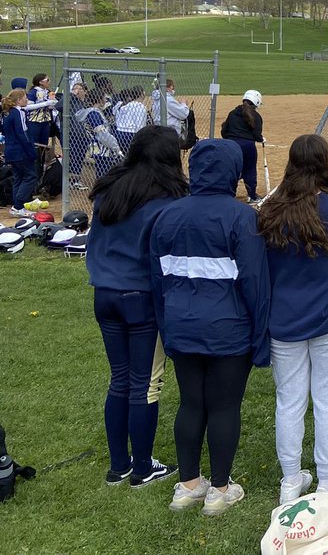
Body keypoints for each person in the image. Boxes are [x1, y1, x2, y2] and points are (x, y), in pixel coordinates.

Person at [149, 139, 270, 516]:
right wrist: (261, 335)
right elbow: (255, 281)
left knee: (190, 402)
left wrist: (167, 329)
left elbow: (158, 281)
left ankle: (188, 486)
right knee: (223, 406)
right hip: (228, 328)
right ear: (233, 173)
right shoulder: (240, 217)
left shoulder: (167, 215)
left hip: (181, 324)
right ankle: (219, 489)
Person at [258, 134, 328, 504]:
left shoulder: (270, 208)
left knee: (289, 400)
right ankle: (327, 479)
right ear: (323, 164)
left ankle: (291, 479)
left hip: (284, 321)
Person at [87, 125, 188, 490]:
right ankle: (142, 467)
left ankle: (120, 465)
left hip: (105, 293)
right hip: (140, 298)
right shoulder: (167, 199)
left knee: (120, 379)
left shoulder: (108, 188)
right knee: (145, 385)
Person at [220, 90, 264, 204]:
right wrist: (262, 139)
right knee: (249, 170)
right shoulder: (256, 116)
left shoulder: (233, 113)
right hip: (247, 146)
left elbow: (225, 131)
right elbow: (256, 135)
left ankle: (229, 194)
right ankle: (252, 196)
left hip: (231, 145)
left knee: (232, 169)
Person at [2, 89, 37, 217]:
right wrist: (31, 150)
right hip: (20, 150)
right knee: (30, 176)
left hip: (10, 149)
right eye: (24, 98)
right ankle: (18, 205)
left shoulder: (7, 113)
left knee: (18, 177)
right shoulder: (18, 112)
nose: (26, 99)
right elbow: (22, 133)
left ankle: (17, 207)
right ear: (18, 100)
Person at [25, 73, 58, 149]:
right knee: (34, 144)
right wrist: (46, 103)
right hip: (34, 122)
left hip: (46, 121)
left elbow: (52, 106)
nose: (49, 82)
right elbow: (28, 107)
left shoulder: (48, 92)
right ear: (40, 82)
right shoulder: (33, 92)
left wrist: (52, 101)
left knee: (44, 144)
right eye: (47, 80)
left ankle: (42, 160)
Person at [114, 87, 149, 154]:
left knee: (125, 154)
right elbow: (140, 126)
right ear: (142, 95)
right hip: (131, 134)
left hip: (119, 133)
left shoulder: (125, 106)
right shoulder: (141, 107)